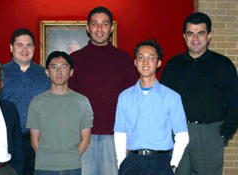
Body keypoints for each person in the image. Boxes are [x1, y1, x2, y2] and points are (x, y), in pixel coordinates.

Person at [160, 12, 238, 175]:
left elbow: (234, 102)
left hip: (209, 135)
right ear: (184, 36)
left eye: (200, 33)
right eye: (190, 33)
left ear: (208, 36)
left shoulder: (223, 65)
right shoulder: (173, 65)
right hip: (178, 134)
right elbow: (163, 103)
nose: (195, 38)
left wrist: (224, 133)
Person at [68, 6, 137, 175]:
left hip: (115, 138)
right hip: (82, 138)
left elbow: (132, 102)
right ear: (87, 28)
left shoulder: (124, 59)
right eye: (94, 24)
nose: (99, 29)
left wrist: (131, 138)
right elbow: (68, 101)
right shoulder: (74, 60)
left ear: (111, 28)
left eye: (104, 24)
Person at [114, 40, 189, 175]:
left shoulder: (172, 97)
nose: (145, 62)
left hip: (161, 162)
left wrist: (173, 165)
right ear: (135, 62)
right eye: (141, 57)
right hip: (132, 162)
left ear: (158, 63)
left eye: (151, 58)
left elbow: (182, 135)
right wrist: (121, 163)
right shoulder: (124, 97)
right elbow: (120, 134)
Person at [26, 51, 93, 175]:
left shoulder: (82, 102)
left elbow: (86, 139)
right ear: (47, 72)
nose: (58, 71)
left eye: (64, 67)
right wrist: (46, 160)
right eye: (54, 67)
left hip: (72, 167)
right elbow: (34, 140)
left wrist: (70, 159)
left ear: (71, 72)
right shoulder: (37, 102)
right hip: (44, 168)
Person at [0, 28, 52, 175]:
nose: (24, 49)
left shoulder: (45, 75)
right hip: (8, 141)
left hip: (39, 141)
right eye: (19, 45)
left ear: (34, 48)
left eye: (29, 45)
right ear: (11, 48)